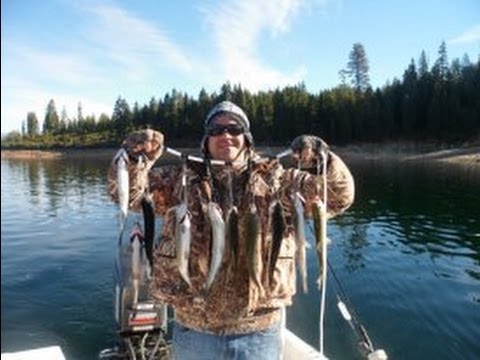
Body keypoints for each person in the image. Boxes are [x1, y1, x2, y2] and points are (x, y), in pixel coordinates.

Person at [108, 100, 355, 359]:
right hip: (195, 328)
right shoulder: (179, 179)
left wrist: (323, 159)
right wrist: (134, 157)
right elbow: (125, 196)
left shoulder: (280, 181)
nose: (225, 135)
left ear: (247, 138)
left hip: (260, 330)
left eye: (234, 129)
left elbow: (339, 196)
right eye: (216, 130)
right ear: (206, 140)